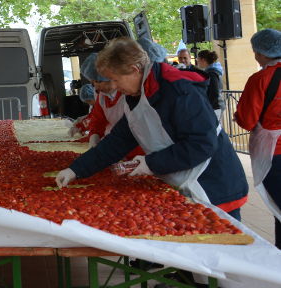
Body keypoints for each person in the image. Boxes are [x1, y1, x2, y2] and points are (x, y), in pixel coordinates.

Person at [56, 37, 248, 220]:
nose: (112, 87)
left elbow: (201, 144)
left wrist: (150, 163)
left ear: (134, 69)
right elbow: (119, 140)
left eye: (115, 80)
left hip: (214, 183)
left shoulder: (178, 90)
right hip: (184, 178)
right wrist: (75, 170)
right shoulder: (137, 95)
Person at [234, 28, 281, 248]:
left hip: (274, 153)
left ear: (262, 53)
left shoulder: (261, 78)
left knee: (278, 206)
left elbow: (247, 120)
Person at [195, 50, 225, 122]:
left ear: (203, 60)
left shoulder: (211, 73)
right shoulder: (213, 71)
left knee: (214, 129)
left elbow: (214, 92)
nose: (197, 62)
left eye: (197, 59)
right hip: (216, 106)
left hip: (215, 106)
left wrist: (208, 107)